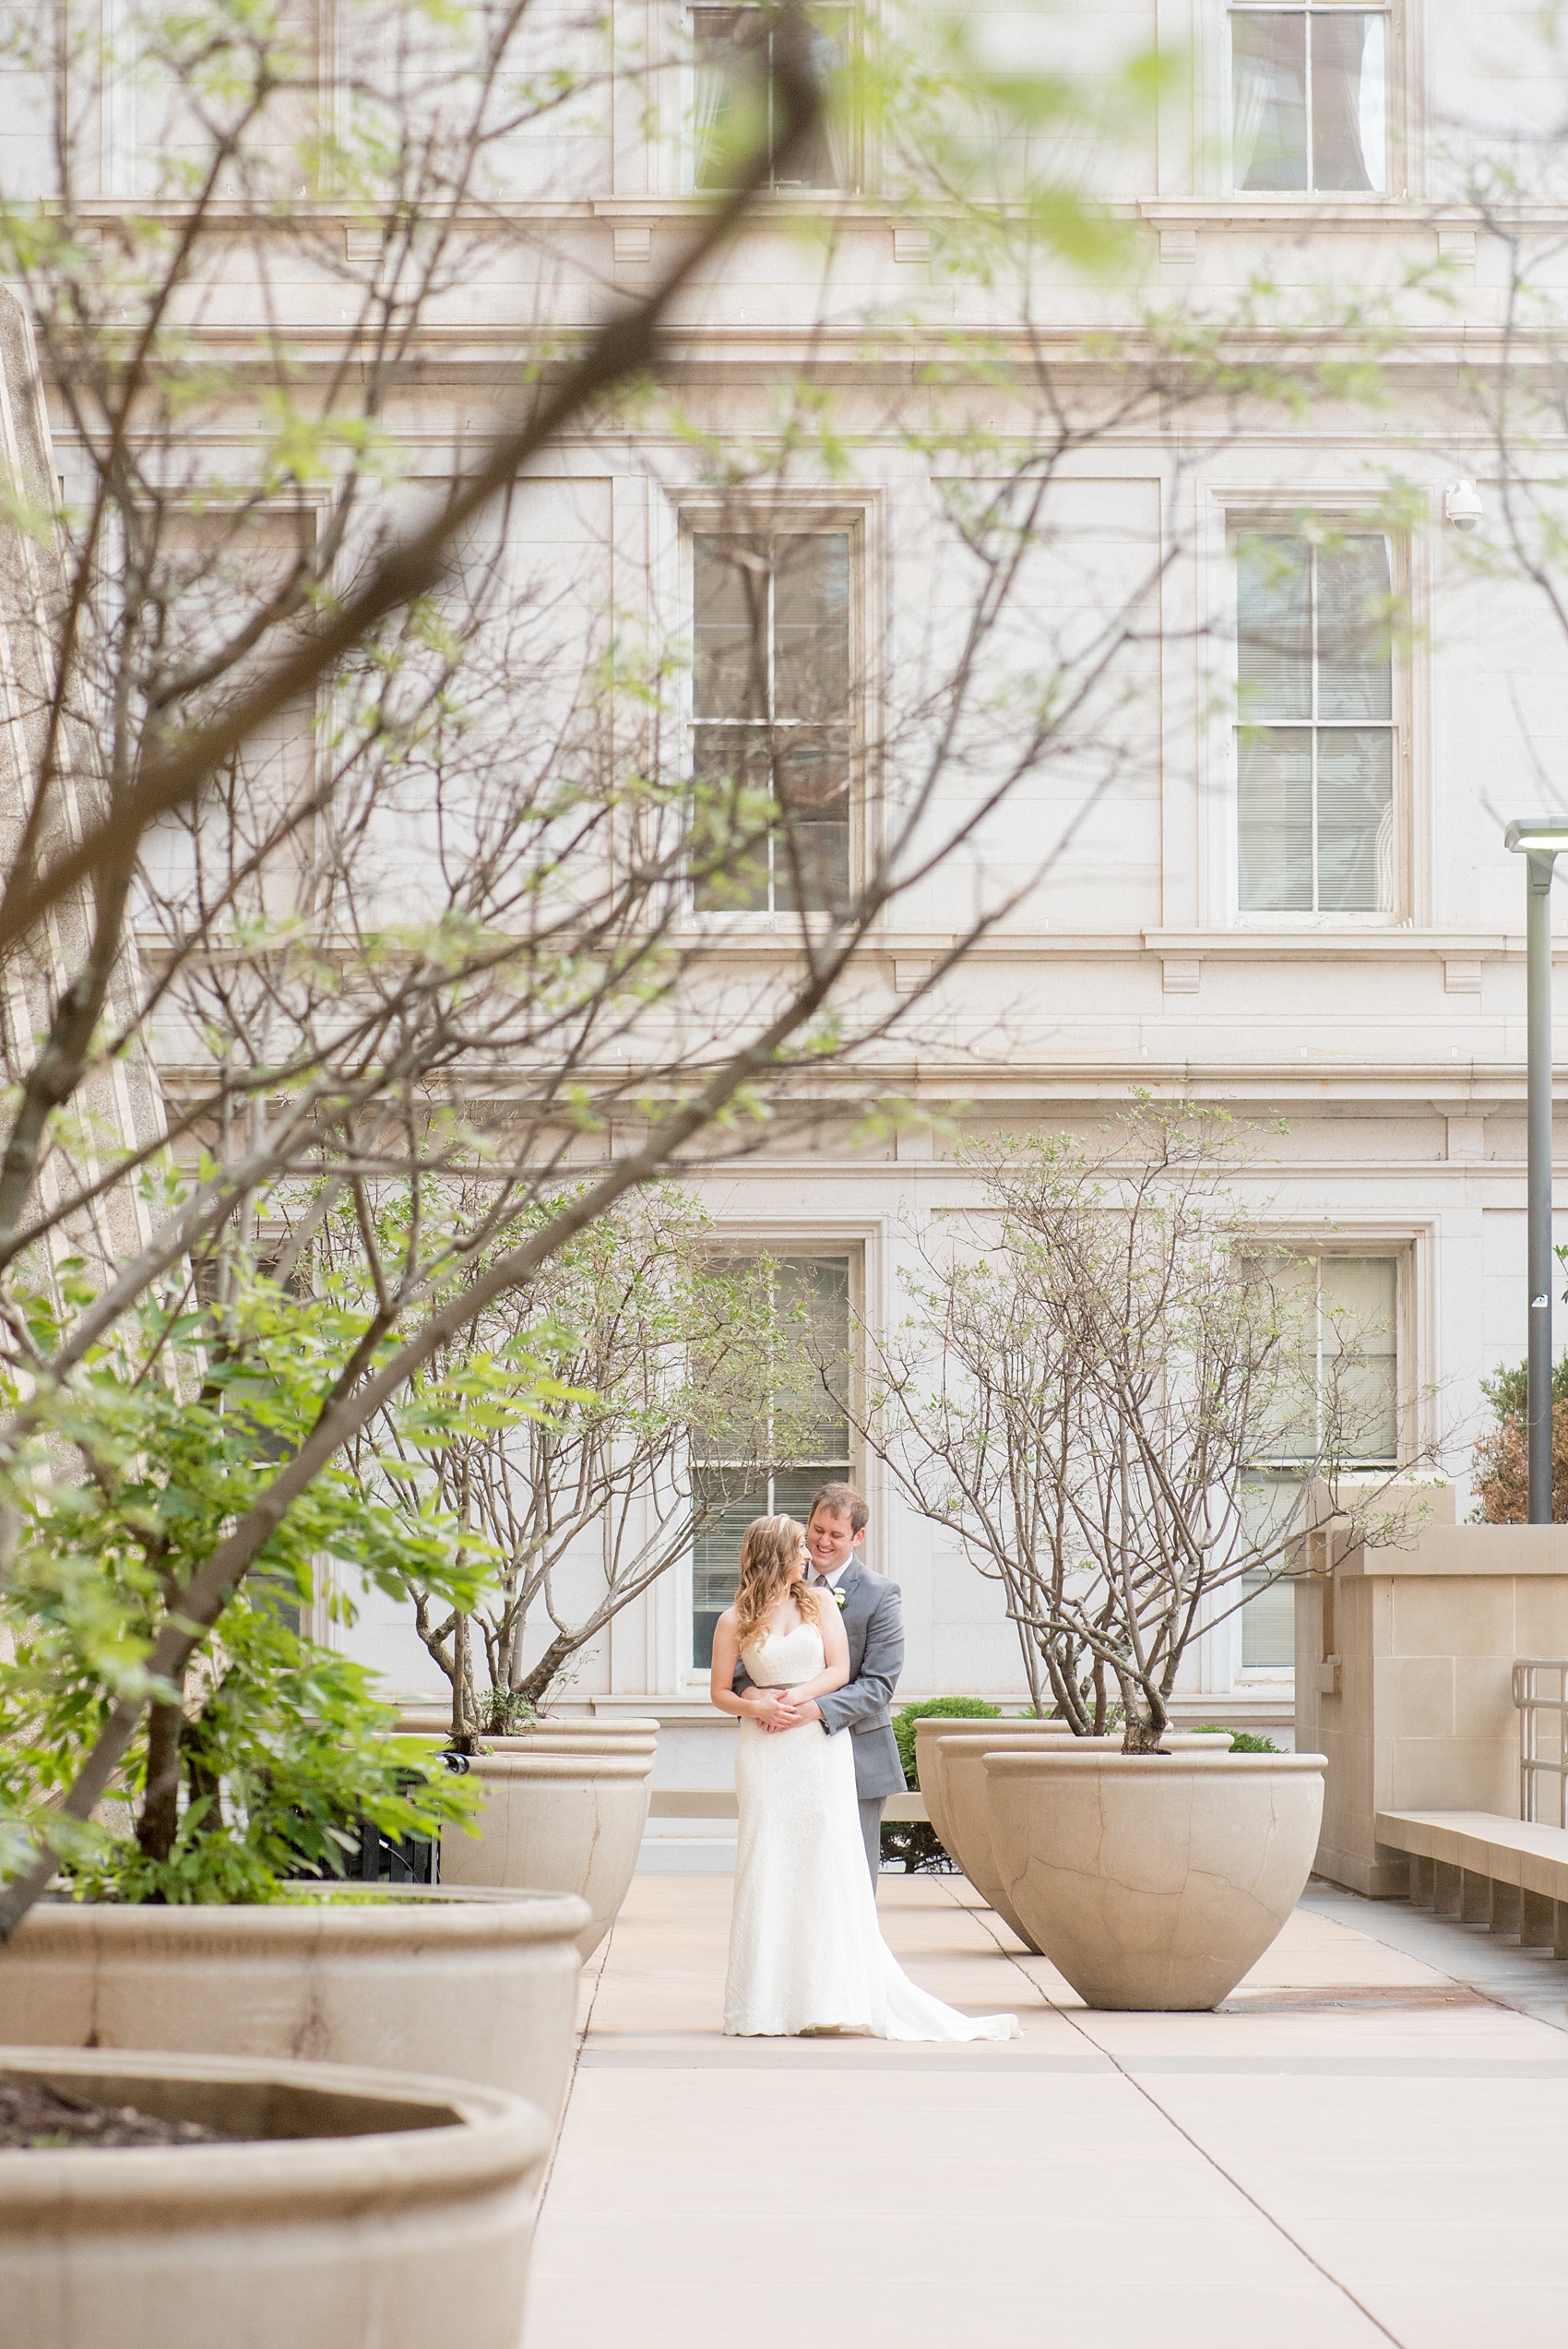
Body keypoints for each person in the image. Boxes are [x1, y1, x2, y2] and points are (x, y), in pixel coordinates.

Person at [709, 1512, 1018, 2042]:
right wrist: (752, 1702)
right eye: (799, 1548)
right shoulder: (733, 1618)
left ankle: (831, 1995)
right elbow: (720, 1690)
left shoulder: (820, 1602)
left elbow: (840, 1672)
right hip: (764, 1751)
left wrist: (795, 1702)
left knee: (827, 1863)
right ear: (774, 1556)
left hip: (817, 1746)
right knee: (767, 1862)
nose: (809, 1553)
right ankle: (764, 2004)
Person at [732, 1481, 903, 1888]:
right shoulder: (764, 1590)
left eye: (836, 1535)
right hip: (779, 1753)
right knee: (785, 1876)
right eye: (817, 1530)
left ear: (858, 1537)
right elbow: (741, 1665)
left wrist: (813, 1710)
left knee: (850, 1885)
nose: (822, 1543)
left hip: (855, 1752)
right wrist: (753, 1694)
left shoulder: (880, 1594)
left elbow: (879, 1683)